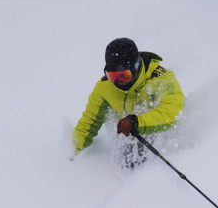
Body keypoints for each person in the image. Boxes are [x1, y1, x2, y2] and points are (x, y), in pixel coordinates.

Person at [72, 38, 185, 168]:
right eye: (113, 76)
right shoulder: (105, 87)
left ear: (136, 66)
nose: (118, 82)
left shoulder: (161, 78)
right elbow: (88, 122)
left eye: (124, 76)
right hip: (131, 140)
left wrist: (136, 122)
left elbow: (172, 112)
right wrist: (72, 153)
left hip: (164, 139)